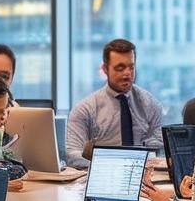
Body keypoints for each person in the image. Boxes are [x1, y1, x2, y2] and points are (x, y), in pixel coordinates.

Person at [65, 38, 163, 170]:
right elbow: (72, 154)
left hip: (143, 178)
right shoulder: (85, 109)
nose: (127, 73)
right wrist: (110, 165)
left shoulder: (150, 104)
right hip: (101, 177)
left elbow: (159, 149)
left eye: (131, 67)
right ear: (105, 69)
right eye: (120, 68)